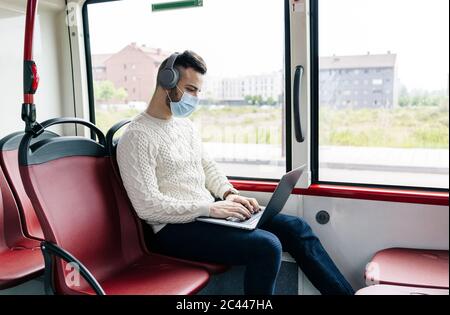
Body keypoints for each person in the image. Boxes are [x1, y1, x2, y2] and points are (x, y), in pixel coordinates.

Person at [116, 50, 354, 295]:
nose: (195, 98)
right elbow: (147, 206)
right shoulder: (136, 137)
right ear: (167, 82)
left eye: (198, 91)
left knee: (296, 227)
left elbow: (208, 167)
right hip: (171, 230)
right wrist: (209, 209)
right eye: (190, 89)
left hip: (204, 215)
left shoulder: (184, 126)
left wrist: (228, 193)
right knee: (267, 246)